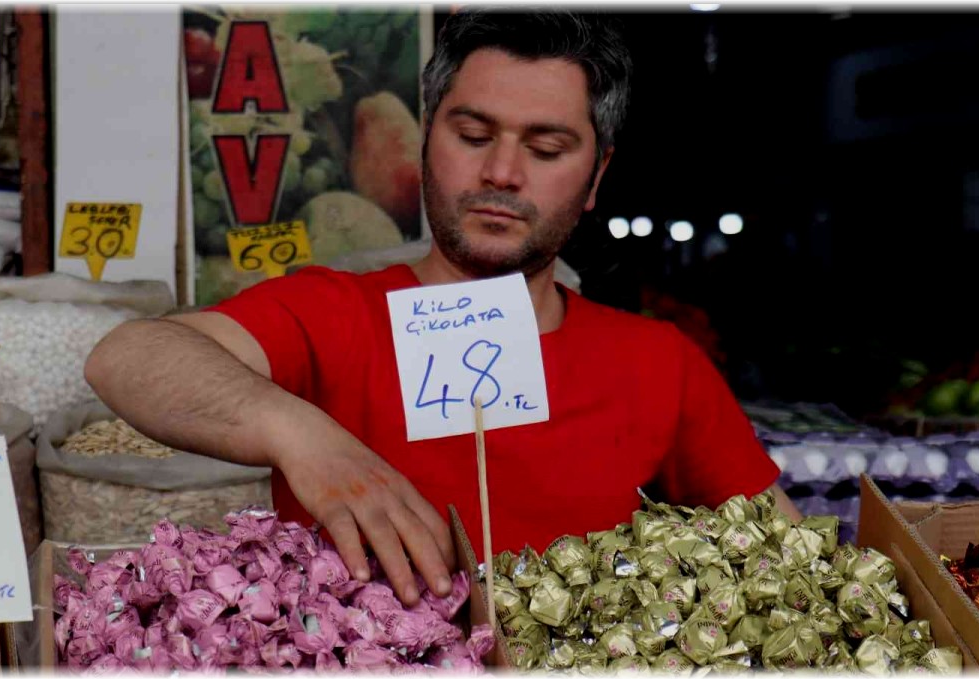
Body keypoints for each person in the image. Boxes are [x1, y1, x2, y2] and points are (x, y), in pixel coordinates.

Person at [85, 8, 800, 608]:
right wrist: (298, 434)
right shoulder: (336, 312)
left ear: (596, 177)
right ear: (426, 140)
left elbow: (794, 566)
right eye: (473, 135)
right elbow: (125, 358)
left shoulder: (659, 362)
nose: (502, 173)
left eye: (547, 148)